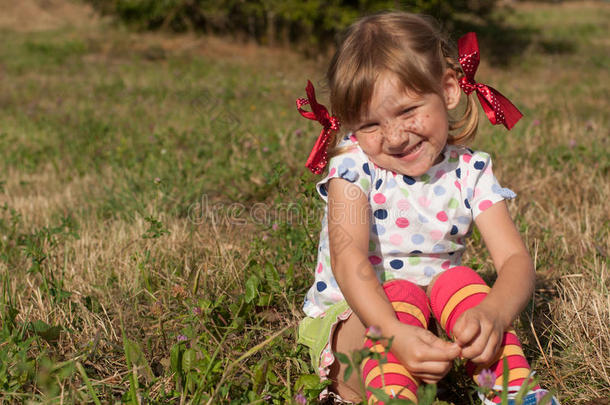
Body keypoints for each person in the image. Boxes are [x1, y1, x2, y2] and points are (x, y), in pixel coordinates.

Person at [296, 11, 559, 405]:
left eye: (407, 111)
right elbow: (349, 260)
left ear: (449, 88)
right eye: (370, 125)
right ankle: (389, 396)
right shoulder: (352, 169)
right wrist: (392, 332)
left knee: (461, 282)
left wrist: (495, 315)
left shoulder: (469, 171)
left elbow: (515, 260)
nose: (395, 136)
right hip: (359, 320)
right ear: (350, 126)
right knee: (399, 293)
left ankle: (513, 393)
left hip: (432, 324)